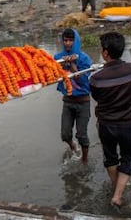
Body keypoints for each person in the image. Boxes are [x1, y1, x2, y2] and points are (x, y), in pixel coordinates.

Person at [89, 31, 131, 208]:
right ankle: (118, 195)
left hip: (106, 125)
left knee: (110, 158)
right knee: (129, 158)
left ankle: (115, 190)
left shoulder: (96, 78)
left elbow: (97, 97)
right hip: (128, 124)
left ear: (105, 53)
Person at [54, 28, 92, 163]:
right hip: (68, 101)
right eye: (65, 40)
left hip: (83, 102)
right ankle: (72, 146)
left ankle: (85, 160)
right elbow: (53, 76)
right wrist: (61, 67)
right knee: (65, 134)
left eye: (71, 40)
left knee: (82, 135)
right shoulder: (58, 58)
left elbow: (86, 83)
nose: (68, 43)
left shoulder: (85, 58)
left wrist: (74, 68)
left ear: (76, 41)